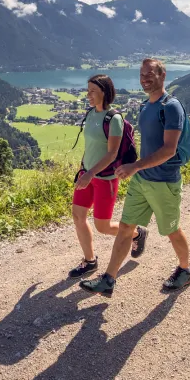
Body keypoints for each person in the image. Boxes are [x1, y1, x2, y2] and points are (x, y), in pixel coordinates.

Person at [79, 58, 190, 296]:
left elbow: (169, 149)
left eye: (150, 74)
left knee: (171, 230)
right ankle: (108, 279)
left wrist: (135, 166)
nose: (145, 78)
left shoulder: (170, 107)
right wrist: (136, 169)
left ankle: (185, 269)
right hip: (142, 180)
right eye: (142, 75)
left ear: (163, 75)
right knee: (125, 228)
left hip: (163, 181)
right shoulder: (145, 106)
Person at [67, 75, 123, 279]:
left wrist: (90, 174)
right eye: (87, 90)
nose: (88, 94)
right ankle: (90, 261)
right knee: (77, 216)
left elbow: (112, 154)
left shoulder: (114, 119)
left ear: (104, 92)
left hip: (105, 179)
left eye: (92, 91)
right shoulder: (91, 114)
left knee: (103, 226)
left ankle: (135, 234)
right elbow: (90, 147)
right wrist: (83, 169)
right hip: (87, 175)